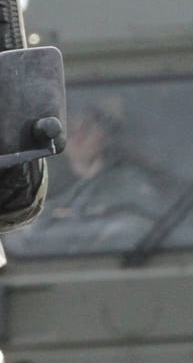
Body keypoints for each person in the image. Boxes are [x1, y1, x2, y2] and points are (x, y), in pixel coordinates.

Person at [14, 99, 170, 252]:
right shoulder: (54, 183)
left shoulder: (129, 181)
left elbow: (136, 227)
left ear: (106, 135)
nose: (79, 137)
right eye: (71, 130)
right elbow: (29, 233)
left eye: (88, 128)